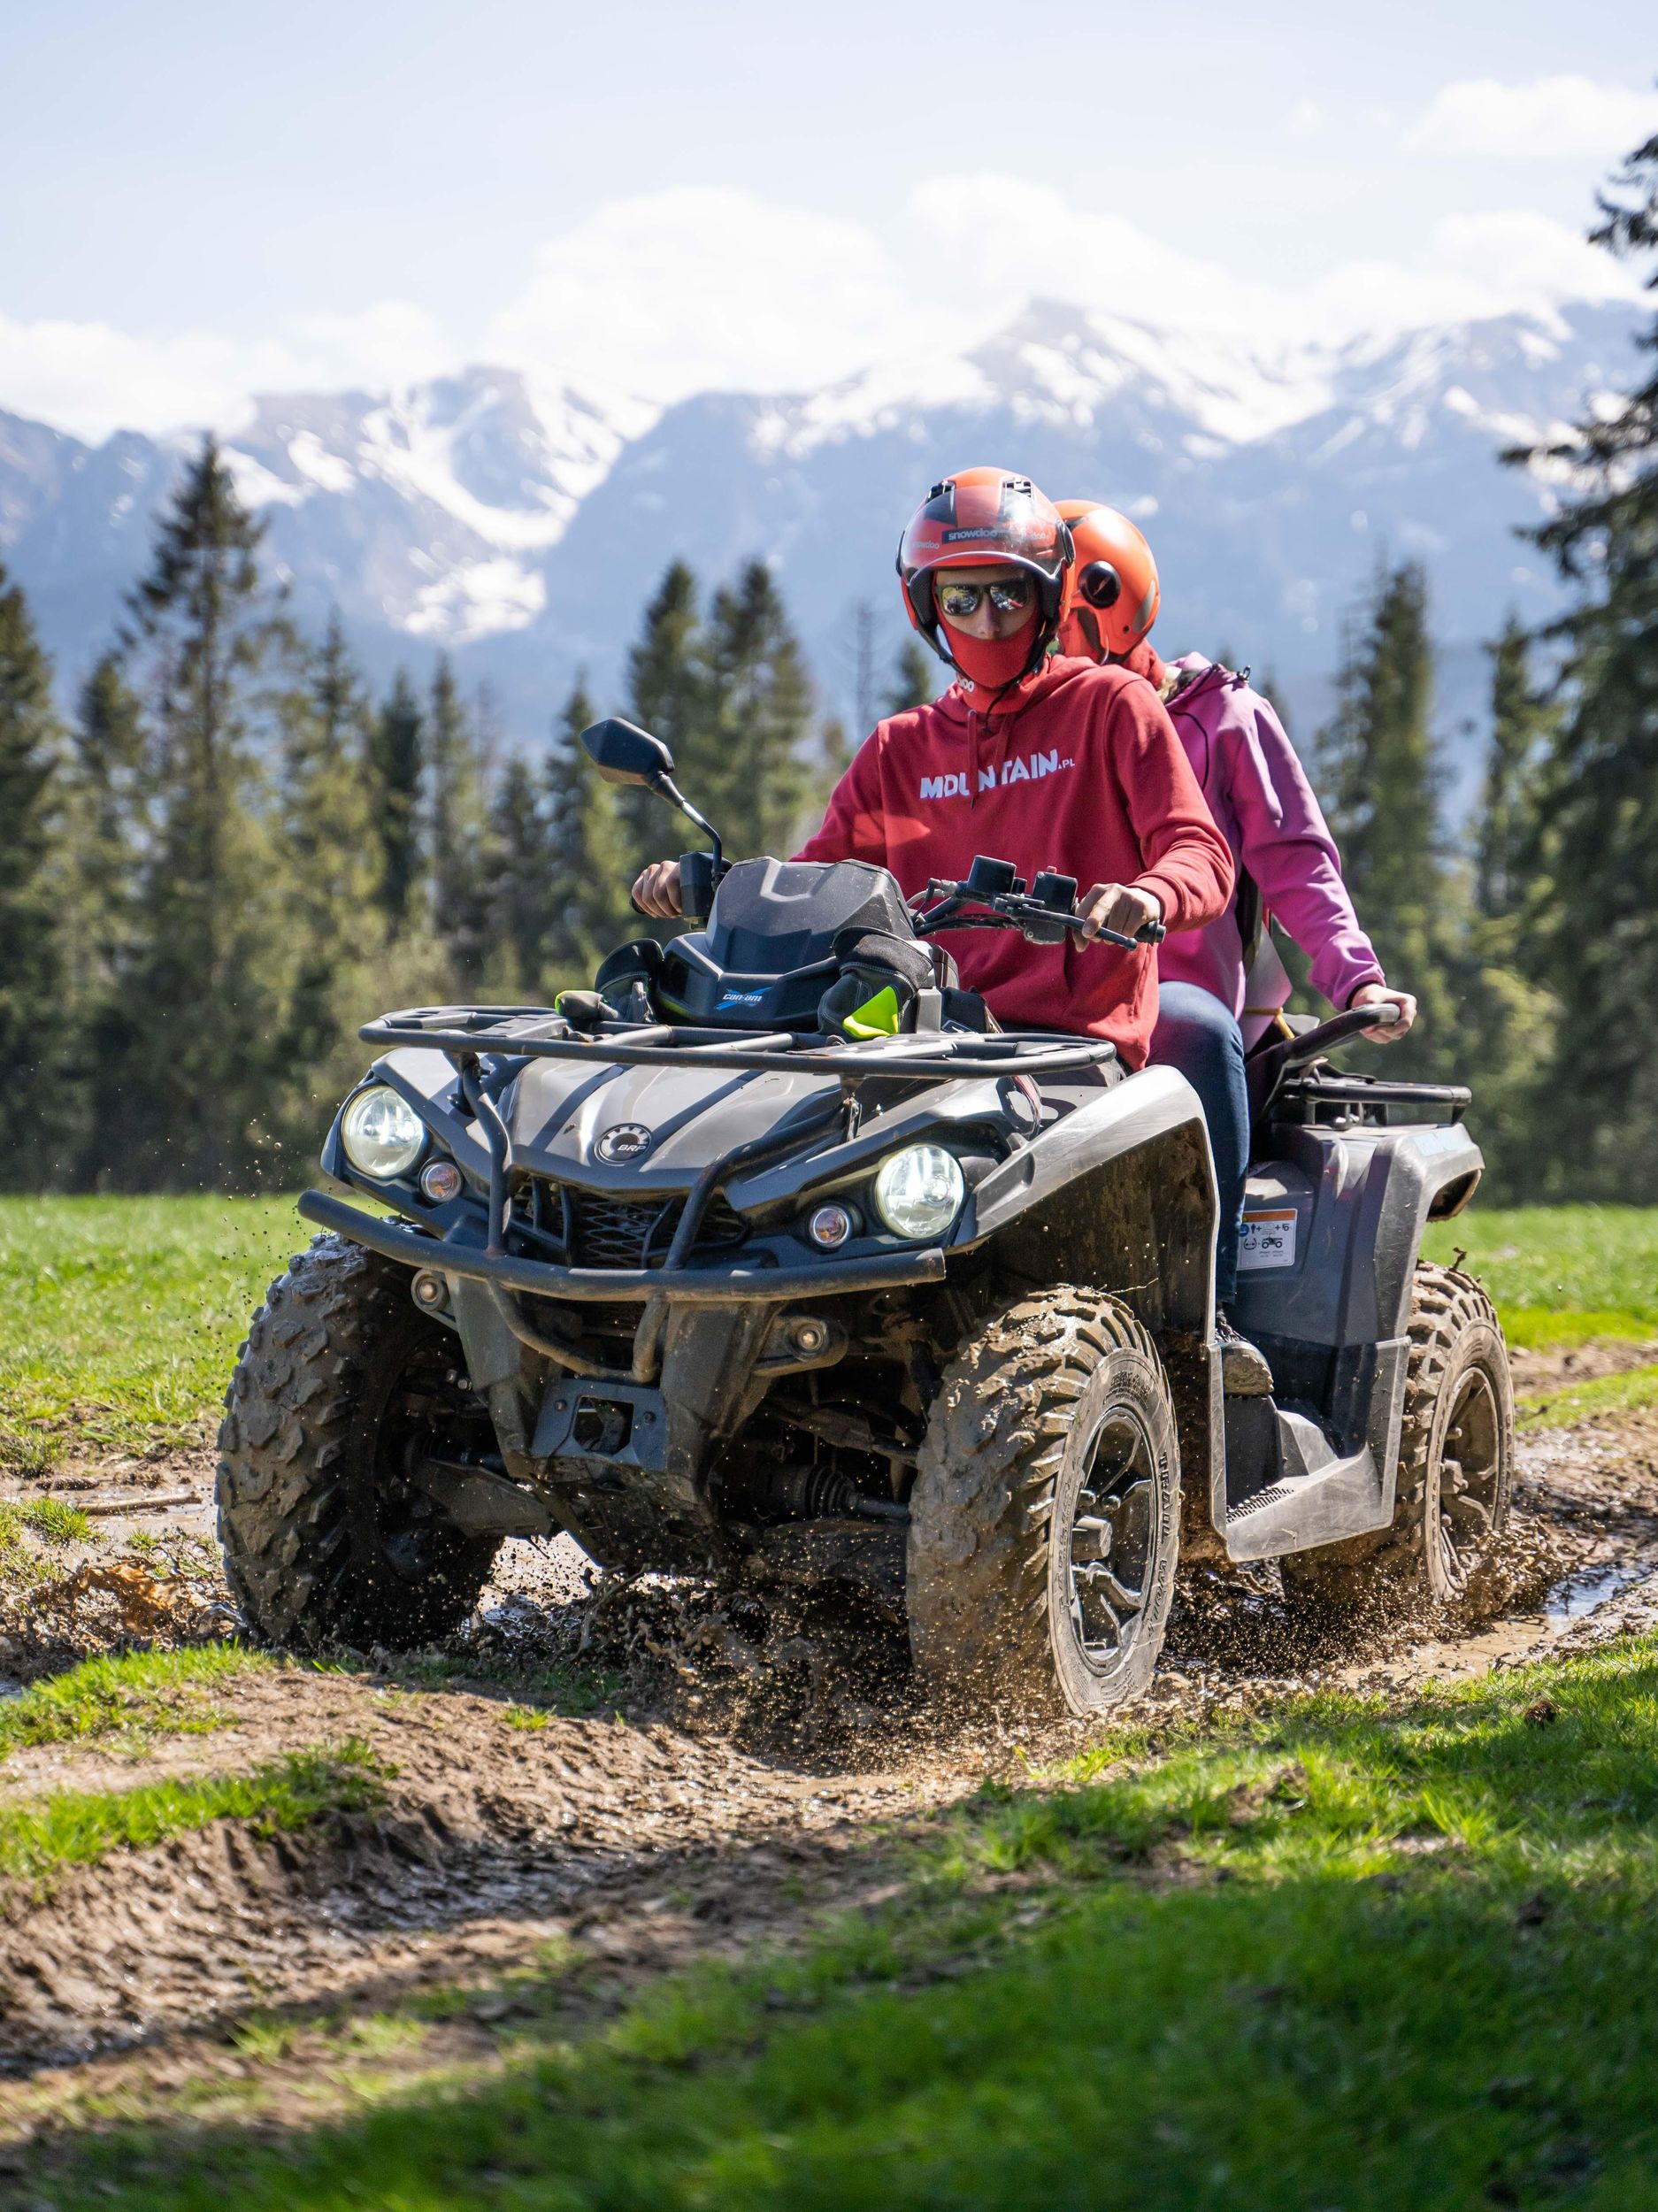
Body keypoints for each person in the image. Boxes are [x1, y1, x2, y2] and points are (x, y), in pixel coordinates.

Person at [633, 469, 1261, 1372]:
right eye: (960, 598)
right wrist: (706, 887)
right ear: (926, 608)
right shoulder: (899, 750)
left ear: (1045, 599)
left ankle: (1211, 1324)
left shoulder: (1108, 707)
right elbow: (816, 883)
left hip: (1070, 1052)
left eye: (1007, 594)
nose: (986, 620)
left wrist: (1149, 896)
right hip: (916, 1046)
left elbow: (1199, 850)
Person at [1055, 500, 1417, 1384]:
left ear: (1114, 605)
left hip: (1186, 1023)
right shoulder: (1020, 735)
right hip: (1047, 1014)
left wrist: (1353, 977)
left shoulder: (1218, 718)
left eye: (1051, 620)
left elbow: (1295, 862)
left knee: (1186, 1024)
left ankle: (1200, 1328)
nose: (1030, 643)